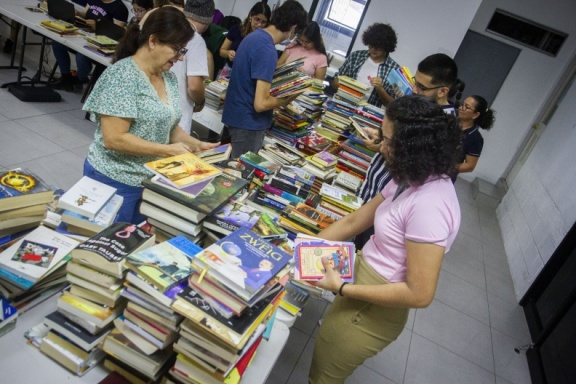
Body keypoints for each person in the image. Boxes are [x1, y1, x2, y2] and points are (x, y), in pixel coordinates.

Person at [308, 95, 462, 383]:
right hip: (361, 285)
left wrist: (343, 289)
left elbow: (420, 294)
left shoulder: (431, 205)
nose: (382, 146)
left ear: (413, 147)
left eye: (389, 141)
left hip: (371, 308)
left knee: (322, 377)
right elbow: (356, 220)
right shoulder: (411, 176)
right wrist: (303, 248)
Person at [82, 7, 219, 224]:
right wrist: (166, 150)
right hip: (115, 179)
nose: (180, 58)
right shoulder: (123, 76)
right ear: (153, 41)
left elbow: (170, 127)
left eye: (183, 51)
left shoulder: (168, 78)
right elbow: (114, 138)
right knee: (100, 241)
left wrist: (195, 144)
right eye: (177, 49)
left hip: (148, 180)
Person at [354, 53, 459, 250]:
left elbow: (415, 167)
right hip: (375, 191)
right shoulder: (418, 108)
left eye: (422, 87)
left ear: (443, 90)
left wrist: (382, 147)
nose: (414, 89)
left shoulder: (442, 127)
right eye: (414, 82)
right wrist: (380, 135)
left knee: (366, 249)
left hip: (388, 206)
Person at [221, 0, 308, 159]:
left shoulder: (254, 37)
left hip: (235, 116)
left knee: (227, 171)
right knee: (239, 176)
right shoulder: (267, 49)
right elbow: (261, 104)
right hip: (248, 125)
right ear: (293, 27)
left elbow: (253, 75)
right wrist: (287, 97)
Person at [49, 0, 129, 92]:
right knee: (57, 42)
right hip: (84, 33)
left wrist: (98, 25)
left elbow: (117, 33)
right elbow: (84, 14)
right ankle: (65, 77)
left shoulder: (119, 8)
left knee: (82, 55)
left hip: (100, 42)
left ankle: (80, 79)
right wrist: (77, 13)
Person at [170, 0, 214, 134]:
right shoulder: (196, 40)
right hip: (177, 115)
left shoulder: (168, 28)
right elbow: (194, 86)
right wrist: (200, 101)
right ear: (207, 21)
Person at [332, 23, 400, 108]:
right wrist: (346, 83)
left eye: (377, 47)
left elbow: (392, 105)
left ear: (386, 47)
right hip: (343, 105)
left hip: (366, 115)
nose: (373, 50)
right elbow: (334, 84)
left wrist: (380, 89)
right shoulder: (356, 56)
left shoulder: (393, 69)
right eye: (370, 45)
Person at [218, 1, 272, 71]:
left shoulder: (266, 39)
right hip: (230, 69)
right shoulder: (236, 30)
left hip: (250, 74)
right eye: (257, 19)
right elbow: (222, 51)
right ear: (250, 16)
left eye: (263, 22)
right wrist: (229, 53)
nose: (259, 24)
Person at [457, 95, 496, 173]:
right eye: (462, 104)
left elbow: (470, 166)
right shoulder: (448, 120)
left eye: (466, 107)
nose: (460, 108)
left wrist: (445, 168)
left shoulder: (475, 138)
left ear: (475, 115)